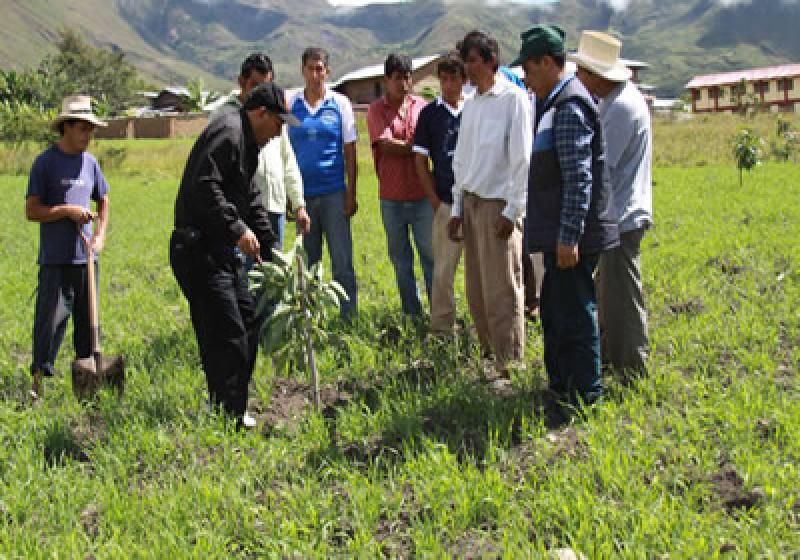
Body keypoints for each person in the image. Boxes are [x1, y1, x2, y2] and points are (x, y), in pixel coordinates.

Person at [169, 83, 298, 427]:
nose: (279, 132)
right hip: (197, 251)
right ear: (261, 114)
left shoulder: (248, 144)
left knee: (247, 323)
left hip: (221, 252)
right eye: (279, 123)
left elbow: (251, 198)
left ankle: (232, 407)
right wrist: (237, 229)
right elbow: (203, 186)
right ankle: (226, 415)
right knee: (225, 332)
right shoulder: (228, 132)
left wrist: (273, 252)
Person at [513, 24, 619, 405]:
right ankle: (560, 389)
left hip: (569, 237)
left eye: (528, 67)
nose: (525, 77)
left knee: (574, 316)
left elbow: (579, 178)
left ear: (546, 62)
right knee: (555, 314)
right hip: (556, 233)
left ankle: (586, 396)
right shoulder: (551, 102)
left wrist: (569, 236)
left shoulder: (569, 106)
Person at [447, 30, 533, 371]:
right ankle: (488, 357)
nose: (467, 68)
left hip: (499, 206)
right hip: (471, 203)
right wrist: (456, 208)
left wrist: (513, 210)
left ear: (491, 60)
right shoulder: (471, 105)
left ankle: (510, 363)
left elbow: (521, 160)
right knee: (478, 290)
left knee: (504, 290)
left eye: (472, 60)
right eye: (464, 61)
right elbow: (462, 160)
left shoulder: (513, 99)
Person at [571, 31, 652, 379]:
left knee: (622, 299)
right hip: (617, 215)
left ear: (597, 75)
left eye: (584, 73)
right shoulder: (615, 100)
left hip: (622, 217)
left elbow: (602, 165)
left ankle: (632, 366)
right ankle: (614, 359)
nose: (580, 79)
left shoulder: (620, 107)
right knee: (611, 294)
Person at [26, 95, 110, 400]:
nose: (88, 136)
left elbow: (103, 200)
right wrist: (66, 211)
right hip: (56, 260)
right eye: (83, 129)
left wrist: (100, 236)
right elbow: (32, 211)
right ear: (67, 128)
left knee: (89, 326)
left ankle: (87, 389)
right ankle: (38, 383)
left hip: (86, 258)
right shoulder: (45, 163)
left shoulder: (91, 163)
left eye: (91, 130)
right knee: (49, 323)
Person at [211, 52, 310, 249]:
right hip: (238, 210)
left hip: (273, 204)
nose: (261, 93)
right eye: (255, 85)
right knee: (242, 273)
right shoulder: (224, 117)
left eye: (266, 86)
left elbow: (287, 160)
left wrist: (298, 203)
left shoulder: (274, 114)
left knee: (272, 268)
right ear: (241, 81)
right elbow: (211, 179)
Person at [288, 47, 358, 317]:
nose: (315, 74)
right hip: (303, 199)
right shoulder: (291, 107)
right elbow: (286, 150)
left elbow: (349, 151)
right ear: (302, 71)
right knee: (309, 262)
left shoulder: (339, 104)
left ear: (327, 72)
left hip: (333, 194)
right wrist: (290, 198)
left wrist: (351, 193)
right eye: (310, 68)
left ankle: (348, 316)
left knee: (342, 261)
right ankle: (312, 320)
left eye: (320, 69)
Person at [368, 53, 433, 317]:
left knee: (431, 258)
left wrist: (413, 147)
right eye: (397, 78)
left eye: (407, 77)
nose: (403, 83)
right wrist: (416, 147)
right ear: (386, 80)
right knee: (401, 260)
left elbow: (430, 143)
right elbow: (384, 144)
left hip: (422, 195)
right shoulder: (376, 110)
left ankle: (439, 312)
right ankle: (412, 313)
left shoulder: (422, 106)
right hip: (391, 198)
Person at [413, 51, 467, 333]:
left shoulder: (473, 109)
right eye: (443, 79)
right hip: (445, 201)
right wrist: (434, 199)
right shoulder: (430, 114)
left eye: (453, 79)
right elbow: (420, 160)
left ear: (464, 79)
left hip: (475, 202)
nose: (448, 85)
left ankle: (480, 326)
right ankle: (443, 328)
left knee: (479, 272)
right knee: (443, 270)